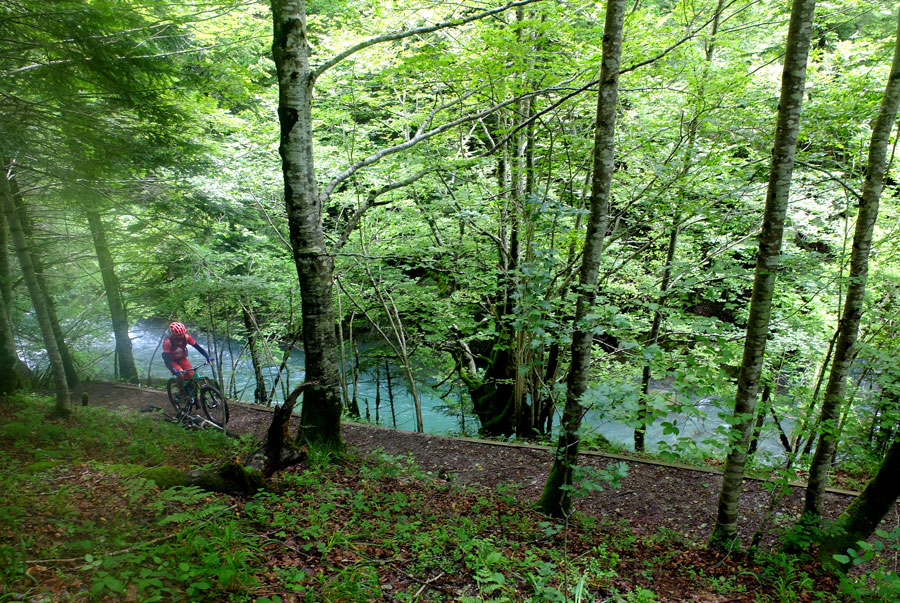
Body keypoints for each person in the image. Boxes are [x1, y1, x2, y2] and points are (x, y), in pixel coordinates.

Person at [162, 322, 213, 401]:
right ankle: (182, 392)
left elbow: (197, 347)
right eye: (179, 335)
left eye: (182, 333)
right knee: (180, 374)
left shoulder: (186, 337)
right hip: (172, 361)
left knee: (192, 376)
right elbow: (166, 358)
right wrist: (173, 368)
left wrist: (207, 356)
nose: (181, 336)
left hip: (182, 359)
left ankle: (191, 394)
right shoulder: (168, 342)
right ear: (174, 334)